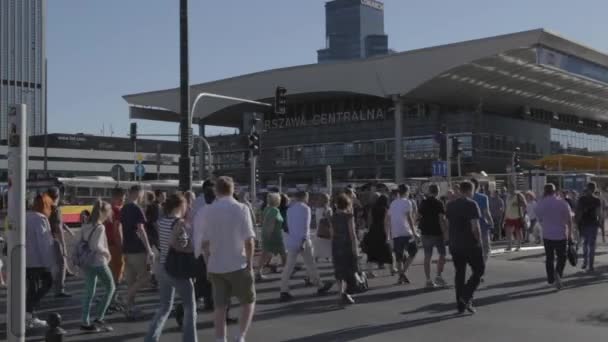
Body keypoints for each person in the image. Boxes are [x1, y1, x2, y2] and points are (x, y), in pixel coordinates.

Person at [200, 177, 256, 342]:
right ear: (233, 190)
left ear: (216, 191)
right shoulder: (241, 209)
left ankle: (220, 338)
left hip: (216, 265)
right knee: (247, 301)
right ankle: (240, 335)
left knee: (220, 307)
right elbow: (249, 240)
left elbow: (205, 243)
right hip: (238, 262)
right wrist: (251, 264)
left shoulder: (208, 210)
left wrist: (207, 263)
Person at [145, 193, 197, 342]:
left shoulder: (161, 222)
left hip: (162, 266)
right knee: (189, 308)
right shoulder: (179, 223)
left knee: (164, 306)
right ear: (181, 205)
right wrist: (193, 248)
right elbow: (181, 246)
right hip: (177, 269)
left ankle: (150, 338)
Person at [279, 191, 333, 302]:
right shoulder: (306, 209)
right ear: (304, 197)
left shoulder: (290, 209)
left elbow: (288, 226)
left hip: (292, 241)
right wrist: (303, 240)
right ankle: (319, 285)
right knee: (310, 264)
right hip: (303, 240)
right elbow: (306, 227)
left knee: (289, 266)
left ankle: (283, 289)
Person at [446, 181, 484, 314]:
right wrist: (479, 242)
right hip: (470, 244)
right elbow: (475, 226)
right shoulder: (471, 204)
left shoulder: (450, 205)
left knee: (459, 273)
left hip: (455, 244)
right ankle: (466, 296)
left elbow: (448, 224)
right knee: (479, 270)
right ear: (470, 191)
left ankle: (461, 304)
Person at [80, 200, 116, 333]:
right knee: (110, 287)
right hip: (98, 262)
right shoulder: (100, 227)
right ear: (102, 213)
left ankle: (85, 321)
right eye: (108, 212)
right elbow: (96, 246)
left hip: (87, 263)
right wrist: (107, 252)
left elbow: (82, 241)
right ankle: (99, 317)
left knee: (89, 292)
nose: (109, 214)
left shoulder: (86, 224)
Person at [120, 185, 155, 319]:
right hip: (137, 248)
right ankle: (126, 298)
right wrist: (149, 249)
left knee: (131, 281)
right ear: (138, 193)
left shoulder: (124, 208)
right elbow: (141, 230)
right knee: (146, 277)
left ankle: (129, 308)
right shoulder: (137, 209)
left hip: (126, 248)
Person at [535, 183, 572, 290]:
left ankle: (551, 279)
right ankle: (558, 272)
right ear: (555, 191)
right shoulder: (562, 202)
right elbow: (569, 220)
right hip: (560, 234)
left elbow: (538, 216)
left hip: (547, 234)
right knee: (562, 257)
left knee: (549, 258)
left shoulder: (541, 203)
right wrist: (570, 234)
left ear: (545, 191)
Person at [26, 194, 55, 329]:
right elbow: (44, 243)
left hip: (25, 260)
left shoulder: (26, 215)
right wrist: (49, 264)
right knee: (47, 283)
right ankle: (28, 312)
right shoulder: (41, 219)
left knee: (32, 288)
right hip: (38, 261)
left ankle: (29, 313)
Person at [386, 184, 419, 284]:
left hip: (396, 232)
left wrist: (389, 233)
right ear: (407, 191)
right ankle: (403, 273)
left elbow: (388, 218)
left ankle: (401, 277)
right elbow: (409, 218)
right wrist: (414, 232)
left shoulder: (393, 203)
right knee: (413, 251)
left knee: (399, 257)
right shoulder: (407, 202)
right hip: (406, 231)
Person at [417, 184, 448, 288]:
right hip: (437, 232)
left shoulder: (423, 202)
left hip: (425, 232)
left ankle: (428, 280)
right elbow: (441, 219)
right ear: (437, 192)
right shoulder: (439, 203)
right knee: (442, 254)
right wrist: (445, 232)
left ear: (430, 191)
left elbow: (418, 216)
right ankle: (438, 276)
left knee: (427, 256)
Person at [331, 194, 359, 305]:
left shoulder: (333, 217)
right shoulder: (349, 216)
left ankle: (340, 293)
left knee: (339, 270)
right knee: (350, 270)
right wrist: (355, 249)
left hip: (336, 245)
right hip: (347, 245)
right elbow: (352, 234)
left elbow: (332, 234)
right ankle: (347, 293)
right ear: (348, 204)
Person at [47, 187, 73, 298]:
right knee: (62, 262)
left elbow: (60, 223)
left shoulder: (47, 207)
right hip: (56, 238)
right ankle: (59, 290)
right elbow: (58, 227)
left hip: (47, 238)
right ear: (58, 196)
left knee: (50, 263)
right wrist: (63, 245)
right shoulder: (56, 209)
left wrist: (67, 228)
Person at [105, 187, 126, 312]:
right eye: (122, 199)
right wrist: (122, 246)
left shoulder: (106, 209)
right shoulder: (118, 211)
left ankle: (111, 300)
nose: (123, 201)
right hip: (115, 246)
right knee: (117, 276)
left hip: (106, 245)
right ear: (118, 198)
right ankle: (111, 301)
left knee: (110, 275)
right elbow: (117, 230)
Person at [256, 192, 286, 281]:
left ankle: (258, 272)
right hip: (274, 236)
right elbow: (271, 224)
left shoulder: (266, 209)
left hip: (267, 234)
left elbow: (262, 221)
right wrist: (269, 235)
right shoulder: (274, 210)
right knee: (283, 253)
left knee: (265, 254)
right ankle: (287, 271)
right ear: (277, 200)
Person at [361, 194, 393, 272]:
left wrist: (369, 229)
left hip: (373, 230)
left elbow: (369, 219)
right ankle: (392, 268)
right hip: (381, 230)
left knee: (372, 250)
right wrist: (388, 234)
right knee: (387, 250)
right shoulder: (385, 210)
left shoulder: (373, 208)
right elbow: (386, 223)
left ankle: (370, 271)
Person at [576, 182, 602, 272]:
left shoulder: (582, 199)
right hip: (593, 223)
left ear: (587, 188)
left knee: (585, 243)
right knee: (591, 245)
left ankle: (585, 262)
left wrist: (577, 223)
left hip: (584, 223)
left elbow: (578, 212)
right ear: (594, 189)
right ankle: (591, 265)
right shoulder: (597, 200)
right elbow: (598, 213)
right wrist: (600, 223)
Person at [471, 179, 494, 265]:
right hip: (482, 225)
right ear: (478, 187)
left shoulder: (466, 198)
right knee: (485, 248)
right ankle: (482, 265)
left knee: (473, 247)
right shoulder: (483, 197)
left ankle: (475, 266)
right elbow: (486, 212)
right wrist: (491, 223)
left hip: (468, 226)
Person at [313, 193, 333, 261]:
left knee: (318, 243)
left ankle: (316, 257)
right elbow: (329, 219)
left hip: (319, 228)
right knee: (327, 242)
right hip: (326, 228)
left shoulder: (317, 208)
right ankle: (327, 256)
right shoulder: (328, 209)